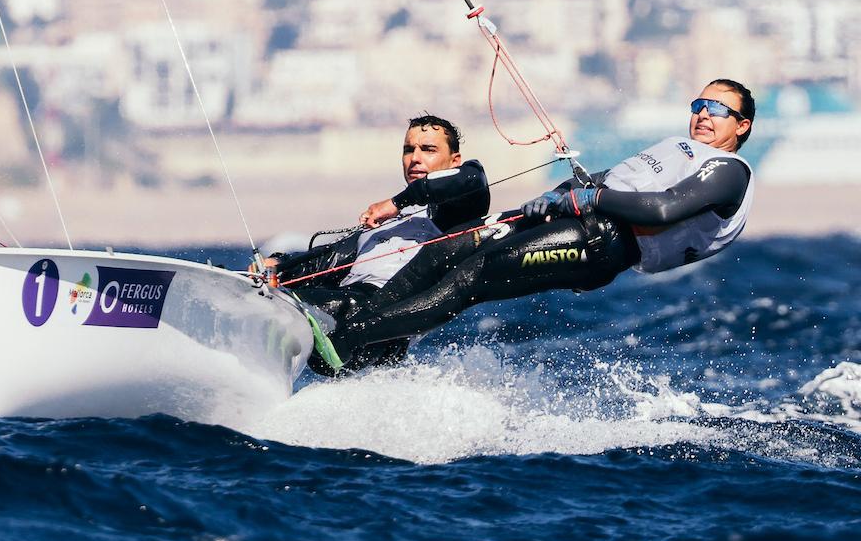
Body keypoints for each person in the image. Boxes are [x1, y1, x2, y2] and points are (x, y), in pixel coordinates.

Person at [313, 79, 756, 375]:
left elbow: (662, 209)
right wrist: (554, 197)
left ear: (742, 125)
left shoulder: (729, 170)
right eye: (699, 105)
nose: (703, 114)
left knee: (471, 278)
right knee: (444, 251)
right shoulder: (677, 147)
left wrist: (591, 199)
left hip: (601, 243)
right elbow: (604, 179)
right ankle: (376, 341)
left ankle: (349, 338)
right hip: (575, 218)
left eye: (717, 109)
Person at [270, 114, 491, 372]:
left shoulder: (454, 212)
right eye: (409, 150)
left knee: (317, 305)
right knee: (273, 296)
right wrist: (277, 265)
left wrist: (396, 203)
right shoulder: (385, 224)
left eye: (428, 149)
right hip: (339, 315)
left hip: (382, 326)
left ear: (454, 160)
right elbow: (325, 261)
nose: (415, 158)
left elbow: (471, 178)